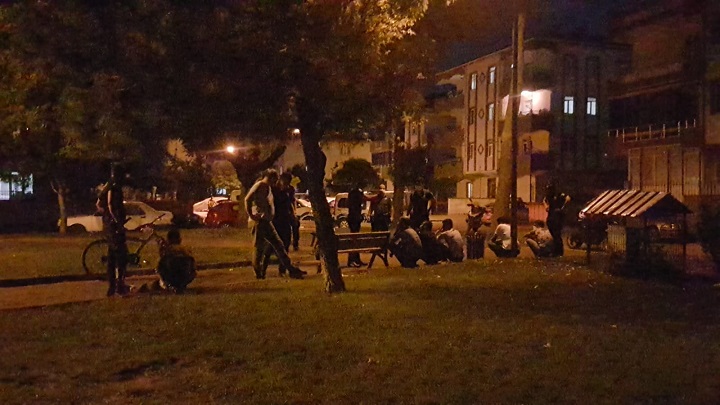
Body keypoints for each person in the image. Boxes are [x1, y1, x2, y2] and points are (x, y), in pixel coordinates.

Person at [245, 169, 305, 280]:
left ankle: (290, 269)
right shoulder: (260, 185)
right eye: (275, 179)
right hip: (260, 222)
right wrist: (252, 215)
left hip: (267, 221)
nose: (276, 182)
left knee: (279, 245)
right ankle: (258, 273)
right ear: (271, 177)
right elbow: (247, 199)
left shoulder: (268, 187)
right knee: (259, 248)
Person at [96, 163, 130, 297]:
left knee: (112, 254)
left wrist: (106, 217)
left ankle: (112, 286)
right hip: (115, 226)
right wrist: (116, 221)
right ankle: (119, 285)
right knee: (121, 255)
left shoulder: (107, 186)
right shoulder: (114, 186)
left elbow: (98, 204)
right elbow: (110, 205)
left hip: (110, 226)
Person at [263, 171, 296, 276]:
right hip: (275, 220)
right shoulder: (273, 190)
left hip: (285, 220)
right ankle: (262, 269)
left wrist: (293, 214)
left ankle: (282, 269)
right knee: (270, 246)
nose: (286, 184)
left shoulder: (289, 190)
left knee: (285, 244)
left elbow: (291, 203)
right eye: (285, 182)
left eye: (288, 183)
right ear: (280, 180)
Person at [156, 228, 196, 293]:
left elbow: (162, 262)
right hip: (185, 276)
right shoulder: (185, 249)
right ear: (179, 239)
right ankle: (181, 285)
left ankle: (171, 285)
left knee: (161, 263)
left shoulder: (167, 249)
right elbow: (192, 262)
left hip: (171, 276)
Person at [543, 183, 571, 257]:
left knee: (557, 235)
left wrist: (562, 208)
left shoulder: (559, 195)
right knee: (554, 235)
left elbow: (567, 198)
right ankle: (556, 250)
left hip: (557, 217)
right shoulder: (549, 196)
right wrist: (546, 206)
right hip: (551, 217)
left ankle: (558, 251)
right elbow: (545, 201)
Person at [347, 184, 367, 267]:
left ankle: (355, 259)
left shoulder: (351, 196)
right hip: (355, 220)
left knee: (355, 239)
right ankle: (352, 259)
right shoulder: (356, 197)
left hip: (353, 219)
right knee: (355, 240)